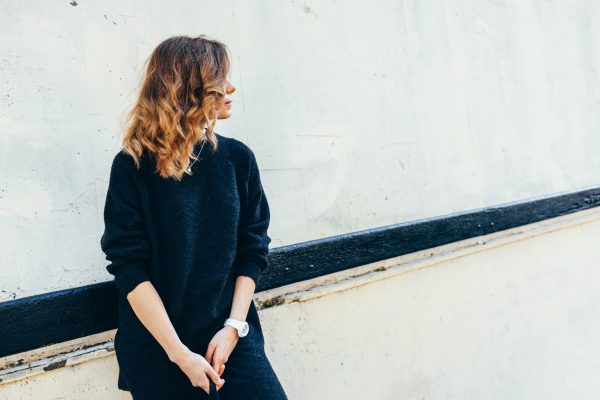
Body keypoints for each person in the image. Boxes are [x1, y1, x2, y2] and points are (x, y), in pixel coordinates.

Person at [100, 35, 288, 400]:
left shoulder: (238, 160)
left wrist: (234, 327)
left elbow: (253, 250)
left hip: (231, 339)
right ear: (188, 87)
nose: (231, 87)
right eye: (220, 79)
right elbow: (129, 268)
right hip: (160, 349)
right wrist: (180, 355)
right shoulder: (132, 167)